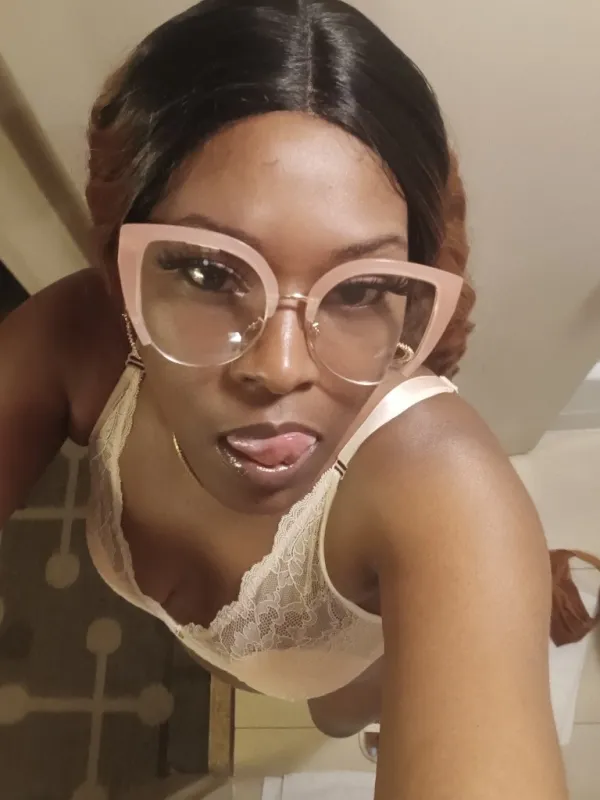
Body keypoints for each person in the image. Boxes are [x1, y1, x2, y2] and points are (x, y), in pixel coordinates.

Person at [0, 1, 571, 797]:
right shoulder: (76, 339)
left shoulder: (447, 492)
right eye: (209, 272)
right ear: (125, 264)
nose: (279, 368)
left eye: (359, 288)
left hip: (340, 681)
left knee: (333, 714)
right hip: (246, 661)